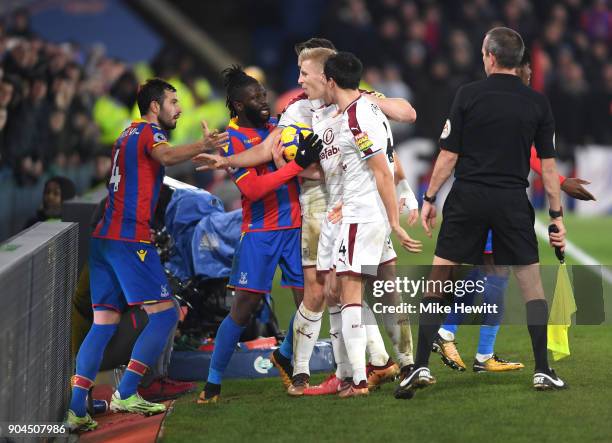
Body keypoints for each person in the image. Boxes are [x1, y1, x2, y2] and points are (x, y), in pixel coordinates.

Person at [194, 38, 420, 396]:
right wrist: (238, 161)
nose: (298, 80)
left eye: (304, 72)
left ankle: (400, 364)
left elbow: (399, 125)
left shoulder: (356, 102)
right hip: (316, 209)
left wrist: (369, 100)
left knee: (372, 287)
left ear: (327, 76)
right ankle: (343, 369)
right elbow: (271, 156)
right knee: (327, 292)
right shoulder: (297, 110)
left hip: (357, 207)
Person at [395, 27, 568, 400]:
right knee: (531, 286)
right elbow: (549, 169)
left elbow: (449, 155)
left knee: (439, 279)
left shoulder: (468, 95)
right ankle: (542, 371)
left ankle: (420, 366)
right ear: (519, 59)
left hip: (468, 197)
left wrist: (428, 198)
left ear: (489, 56)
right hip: (510, 200)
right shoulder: (537, 103)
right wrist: (556, 216)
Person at [65, 78, 229, 432]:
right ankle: (127, 391)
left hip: (105, 239)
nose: (179, 108)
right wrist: (199, 144)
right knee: (166, 315)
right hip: (129, 239)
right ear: (155, 106)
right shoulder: (148, 134)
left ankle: (77, 408)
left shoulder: (126, 134)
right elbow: (166, 155)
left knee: (104, 323)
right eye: (173, 101)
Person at [433, 50, 595, 373]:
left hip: (482, 200)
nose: (532, 78)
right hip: (492, 200)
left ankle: (473, 348)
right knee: (495, 272)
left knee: (493, 271)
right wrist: (561, 184)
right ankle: (450, 333)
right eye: (528, 73)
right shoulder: (500, 103)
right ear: (514, 71)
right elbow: (528, 157)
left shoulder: (493, 101)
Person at [195, 66, 322, 404]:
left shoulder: (276, 128)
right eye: (254, 98)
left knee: (311, 299)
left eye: (263, 95)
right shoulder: (232, 139)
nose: (262, 102)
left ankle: (292, 362)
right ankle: (213, 382)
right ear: (238, 105)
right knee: (243, 308)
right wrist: (295, 167)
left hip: (294, 227)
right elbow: (253, 189)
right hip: (260, 232)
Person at [319, 52, 421, 398]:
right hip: (372, 214)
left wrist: (395, 221)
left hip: (361, 215)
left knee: (348, 295)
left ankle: (358, 381)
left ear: (331, 82)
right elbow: (391, 158)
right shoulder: (373, 107)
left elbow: (381, 169)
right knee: (387, 291)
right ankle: (408, 364)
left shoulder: (353, 119)